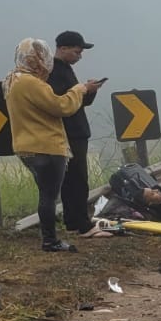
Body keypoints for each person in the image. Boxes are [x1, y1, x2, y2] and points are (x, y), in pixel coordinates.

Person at [4, 38, 103, 252]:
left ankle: (51, 237)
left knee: (46, 194)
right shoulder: (32, 83)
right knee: (49, 197)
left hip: (24, 145)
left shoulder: (11, 80)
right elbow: (62, 106)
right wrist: (79, 89)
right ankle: (50, 241)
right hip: (46, 145)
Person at [49, 30, 101, 236]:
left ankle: (73, 221)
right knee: (77, 179)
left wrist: (90, 92)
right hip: (70, 132)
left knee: (73, 178)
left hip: (76, 130)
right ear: (62, 49)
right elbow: (63, 103)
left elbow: (76, 102)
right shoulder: (55, 71)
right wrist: (82, 89)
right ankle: (81, 223)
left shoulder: (66, 69)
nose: (79, 56)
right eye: (77, 52)